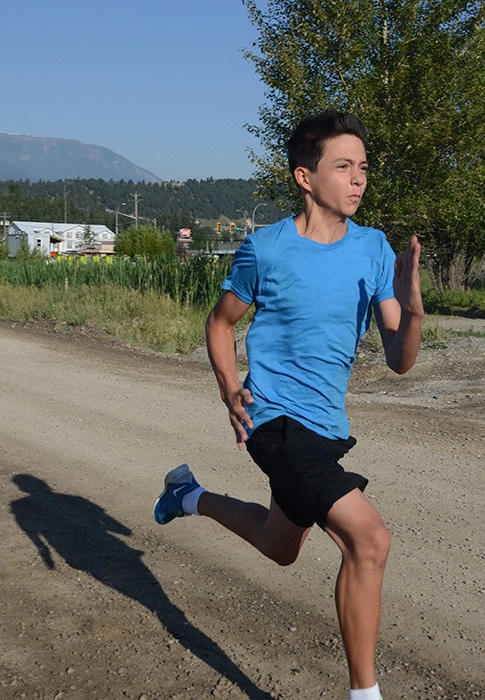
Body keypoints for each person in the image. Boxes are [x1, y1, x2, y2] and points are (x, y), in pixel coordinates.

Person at [153, 110, 424, 700]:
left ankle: (188, 494)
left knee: (281, 546)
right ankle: (365, 695)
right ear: (306, 176)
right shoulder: (266, 249)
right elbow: (221, 322)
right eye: (343, 167)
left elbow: (400, 359)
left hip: (327, 425)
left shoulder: (375, 249)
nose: (358, 180)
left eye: (363, 168)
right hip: (274, 419)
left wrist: (415, 310)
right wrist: (230, 390)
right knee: (369, 539)